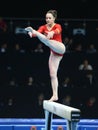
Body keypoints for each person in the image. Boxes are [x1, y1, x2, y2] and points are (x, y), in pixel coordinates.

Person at [25, 9, 66, 101]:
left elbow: (58, 31)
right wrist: (32, 34)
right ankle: (55, 95)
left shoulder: (57, 26)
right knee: (52, 74)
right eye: (46, 18)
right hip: (54, 53)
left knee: (46, 41)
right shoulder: (43, 27)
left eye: (49, 18)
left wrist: (52, 32)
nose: (47, 19)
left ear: (54, 18)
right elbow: (39, 33)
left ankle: (35, 32)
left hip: (60, 48)